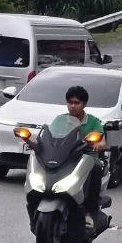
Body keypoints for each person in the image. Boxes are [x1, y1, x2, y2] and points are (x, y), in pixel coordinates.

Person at [45, 85, 108, 231]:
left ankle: (89, 212)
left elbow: (102, 141)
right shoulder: (59, 120)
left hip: (87, 157)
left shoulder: (93, 121)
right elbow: (50, 136)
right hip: (64, 158)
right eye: (70, 102)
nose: (72, 106)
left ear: (84, 104)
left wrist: (98, 145)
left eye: (76, 103)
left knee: (96, 168)